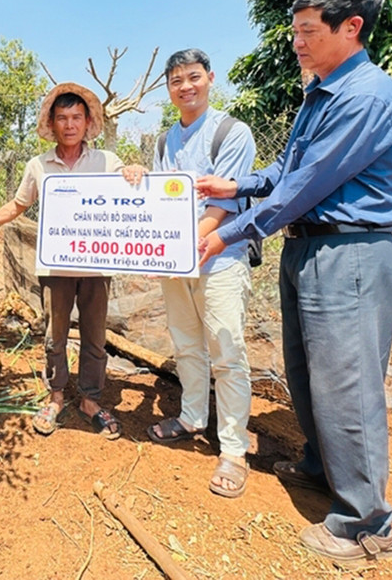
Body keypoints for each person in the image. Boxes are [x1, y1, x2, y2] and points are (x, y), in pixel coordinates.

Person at [197, 0, 392, 566]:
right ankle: (323, 466)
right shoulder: (322, 90)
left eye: (308, 31)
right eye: (294, 31)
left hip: (349, 253)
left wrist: (231, 230)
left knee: (348, 384)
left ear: (352, 28)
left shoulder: (369, 97)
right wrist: (238, 183)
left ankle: (366, 525)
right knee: (308, 371)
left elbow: (305, 187)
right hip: (309, 250)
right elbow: (289, 169)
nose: (297, 42)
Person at [123, 49, 256, 498]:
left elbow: (223, 204)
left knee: (226, 348)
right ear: (169, 88)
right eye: (176, 80)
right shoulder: (166, 141)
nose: (186, 86)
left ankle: (234, 449)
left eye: (193, 77)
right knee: (186, 344)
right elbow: (160, 198)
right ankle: (193, 417)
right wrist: (137, 175)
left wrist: (183, 245)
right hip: (175, 260)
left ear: (210, 79)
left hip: (219, 258)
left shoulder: (231, 133)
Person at [0, 82, 124, 439]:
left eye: (76, 118)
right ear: (52, 124)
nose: (69, 125)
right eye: (62, 118)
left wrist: (138, 173)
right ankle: (56, 396)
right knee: (55, 335)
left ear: (87, 122)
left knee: (96, 337)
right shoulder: (38, 165)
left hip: (97, 267)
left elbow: (131, 195)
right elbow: (16, 206)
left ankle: (91, 400)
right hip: (55, 266)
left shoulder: (107, 162)